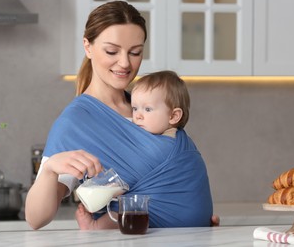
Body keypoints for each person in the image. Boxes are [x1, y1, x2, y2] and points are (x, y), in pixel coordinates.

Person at [25, 0, 218, 231]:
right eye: (112, 51)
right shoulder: (76, 123)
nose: (125, 63)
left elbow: (175, 178)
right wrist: (49, 170)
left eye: (135, 52)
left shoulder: (148, 106)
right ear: (88, 47)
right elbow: (36, 218)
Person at [75, 70, 200, 229]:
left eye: (147, 109)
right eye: (135, 109)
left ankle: (94, 227)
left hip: (173, 224)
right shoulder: (183, 141)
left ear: (174, 116)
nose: (138, 116)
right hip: (197, 224)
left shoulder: (158, 148)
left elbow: (117, 182)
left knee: (126, 208)